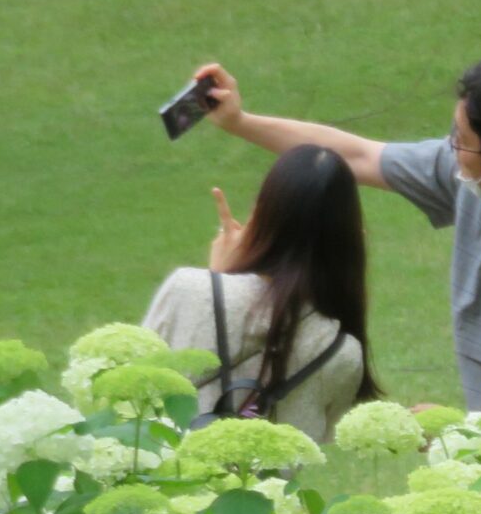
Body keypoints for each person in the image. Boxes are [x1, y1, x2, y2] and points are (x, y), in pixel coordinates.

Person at [190, 53, 481, 414]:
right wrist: (239, 121)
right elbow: (359, 157)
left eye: (461, 142)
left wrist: (460, 433)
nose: (450, 149)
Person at [143, 144, 381, 443]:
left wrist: (219, 280)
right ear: (352, 239)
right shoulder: (341, 353)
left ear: (261, 214)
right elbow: (322, 435)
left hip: (161, 483)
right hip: (258, 491)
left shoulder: (187, 289)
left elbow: (133, 391)